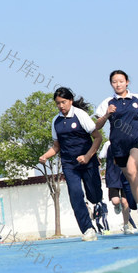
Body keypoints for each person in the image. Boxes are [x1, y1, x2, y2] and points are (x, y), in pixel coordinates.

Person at [93, 72, 138, 234]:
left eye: (121, 81)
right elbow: (97, 126)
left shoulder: (137, 98)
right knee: (131, 179)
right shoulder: (107, 102)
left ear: (127, 82)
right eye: (114, 82)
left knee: (132, 169)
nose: (118, 84)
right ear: (111, 84)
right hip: (119, 147)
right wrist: (107, 114)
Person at [40, 87, 103, 241]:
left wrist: (88, 156)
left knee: (94, 196)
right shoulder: (56, 121)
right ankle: (88, 229)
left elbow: (98, 138)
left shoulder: (81, 115)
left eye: (63, 102)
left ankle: (96, 204)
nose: (61, 106)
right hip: (69, 164)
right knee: (75, 195)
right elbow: (56, 146)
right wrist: (45, 156)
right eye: (58, 103)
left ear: (71, 101)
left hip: (88, 162)